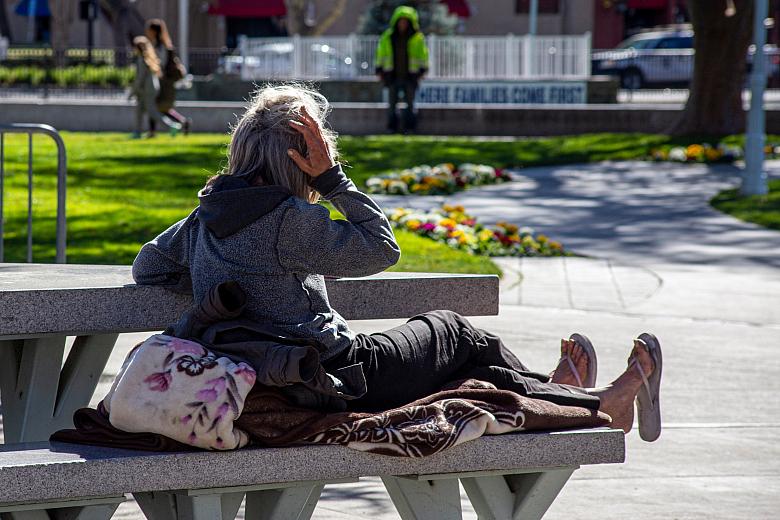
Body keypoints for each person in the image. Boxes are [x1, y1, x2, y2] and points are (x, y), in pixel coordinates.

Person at [132, 85, 662, 441]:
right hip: (332, 378)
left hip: (272, 376)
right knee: (452, 333)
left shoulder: (206, 218)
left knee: (464, 366)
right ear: (302, 159)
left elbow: (148, 268)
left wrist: (235, 278)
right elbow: (382, 247)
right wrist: (332, 180)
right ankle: (589, 405)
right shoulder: (288, 220)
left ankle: (565, 395)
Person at [375, 6, 429, 133]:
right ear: (396, 21)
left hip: (411, 76)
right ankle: (392, 128)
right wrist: (379, 70)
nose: (402, 24)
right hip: (392, 76)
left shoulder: (417, 38)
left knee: (410, 104)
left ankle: (409, 128)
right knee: (392, 104)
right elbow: (381, 54)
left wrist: (422, 71)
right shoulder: (388, 37)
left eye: (405, 21)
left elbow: (423, 56)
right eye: (400, 21)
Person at [145, 19, 191, 136]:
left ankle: (152, 131)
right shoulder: (163, 44)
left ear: (154, 31)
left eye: (149, 30)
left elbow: (161, 64)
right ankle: (182, 122)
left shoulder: (159, 46)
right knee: (161, 107)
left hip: (163, 81)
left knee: (155, 105)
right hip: (165, 80)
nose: (147, 32)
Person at [129, 36, 182, 138]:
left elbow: (140, 78)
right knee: (139, 110)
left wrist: (132, 92)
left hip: (147, 90)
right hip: (150, 89)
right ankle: (137, 132)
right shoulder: (148, 59)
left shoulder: (142, 60)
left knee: (152, 112)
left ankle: (172, 126)